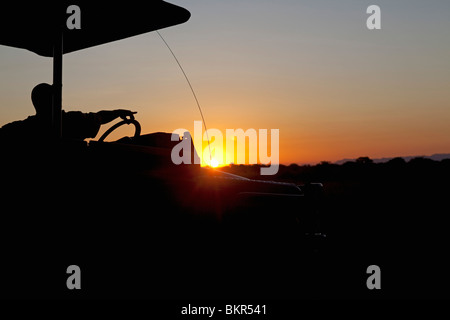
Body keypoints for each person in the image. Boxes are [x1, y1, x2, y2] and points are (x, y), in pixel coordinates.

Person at [0, 83, 136, 143]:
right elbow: (99, 117)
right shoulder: (72, 121)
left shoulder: (19, 128)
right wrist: (118, 112)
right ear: (55, 100)